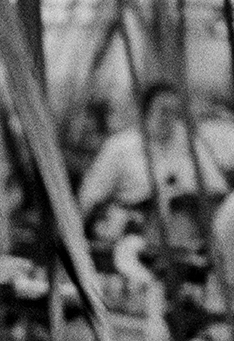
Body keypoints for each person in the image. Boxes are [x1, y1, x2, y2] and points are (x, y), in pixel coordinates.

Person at [78, 81, 229, 243]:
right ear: (145, 113)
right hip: (135, 231)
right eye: (164, 111)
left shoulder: (190, 145)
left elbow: (219, 191)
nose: (170, 119)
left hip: (188, 227)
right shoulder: (120, 147)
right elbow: (89, 199)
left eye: (175, 112)